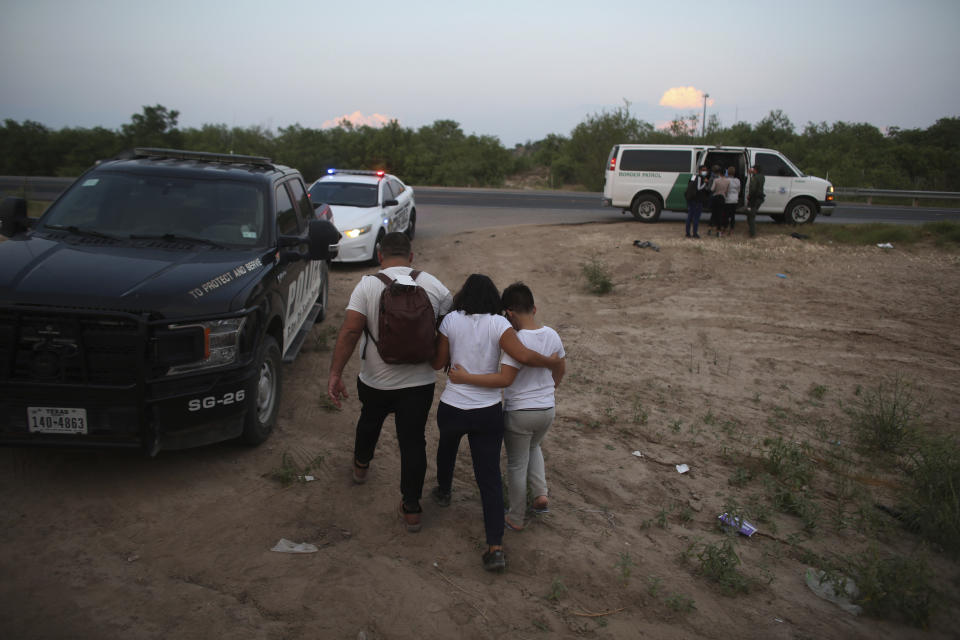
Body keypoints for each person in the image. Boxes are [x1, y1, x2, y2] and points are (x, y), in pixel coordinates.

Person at [429, 274, 563, 572]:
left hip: (453, 405)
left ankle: (443, 489)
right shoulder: (499, 324)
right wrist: (552, 362)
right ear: (493, 299)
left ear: (463, 295)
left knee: (447, 448)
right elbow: (524, 356)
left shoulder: (450, 320)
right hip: (487, 411)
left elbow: (438, 364)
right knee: (488, 479)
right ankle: (495, 546)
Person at [327, 232, 453, 534]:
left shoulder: (367, 285)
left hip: (375, 382)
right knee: (413, 443)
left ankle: (360, 467)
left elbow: (349, 332)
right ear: (411, 257)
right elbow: (451, 333)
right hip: (419, 383)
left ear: (380, 256)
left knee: (369, 422)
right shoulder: (435, 287)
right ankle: (411, 509)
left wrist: (335, 373)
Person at [684, 165, 711, 238]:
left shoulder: (693, 177)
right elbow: (699, 188)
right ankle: (695, 233)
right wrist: (705, 183)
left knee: (690, 216)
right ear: (699, 170)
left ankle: (687, 233)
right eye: (703, 170)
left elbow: (689, 185)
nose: (705, 172)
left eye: (706, 170)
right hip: (697, 200)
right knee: (696, 217)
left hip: (690, 198)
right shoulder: (699, 178)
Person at [708, 164, 730, 236]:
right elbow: (727, 191)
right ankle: (719, 231)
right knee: (720, 215)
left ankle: (710, 229)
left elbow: (712, 189)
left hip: (716, 197)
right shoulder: (728, 181)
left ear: (719, 173)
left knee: (714, 214)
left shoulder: (716, 180)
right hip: (722, 198)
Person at [746, 163, 765, 238]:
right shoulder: (762, 177)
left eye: (753, 169)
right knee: (752, 214)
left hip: (754, 198)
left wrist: (749, 195)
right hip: (759, 198)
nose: (752, 170)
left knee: (751, 216)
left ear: (756, 170)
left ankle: (752, 233)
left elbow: (753, 188)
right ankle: (751, 231)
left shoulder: (755, 178)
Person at [723, 166, 741, 235]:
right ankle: (732, 228)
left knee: (726, 215)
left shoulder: (726, 180)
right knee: (733, 215)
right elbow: (739, 190)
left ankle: (725, 227)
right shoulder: (737, 180)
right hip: (735, 199)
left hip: (727, 200)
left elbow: (725, 190)